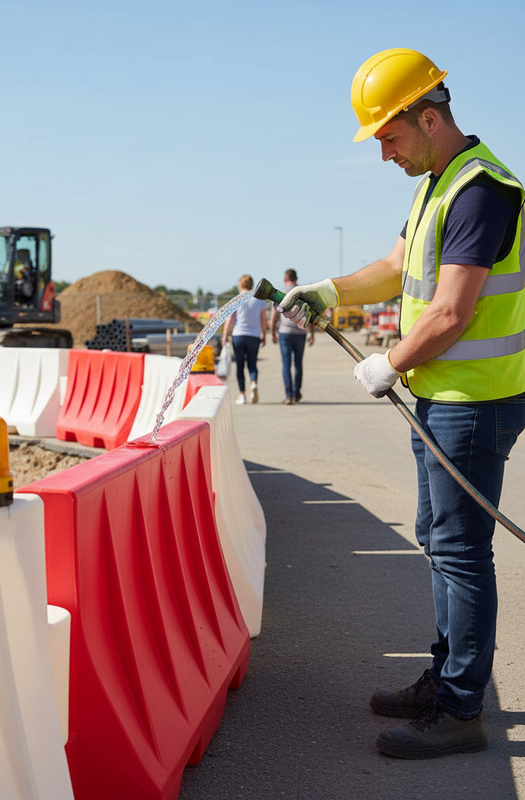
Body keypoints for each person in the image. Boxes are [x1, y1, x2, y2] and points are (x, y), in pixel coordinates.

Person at [278, 48, 525, 759]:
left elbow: (451, 311)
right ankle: (448, 680)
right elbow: (394, 269)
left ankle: (460, 708)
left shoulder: (480, 190)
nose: (383, 153)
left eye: (388, 137)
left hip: (471, 404)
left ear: (428, 116)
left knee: (461, 553)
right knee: (442, 545)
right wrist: (327, 290)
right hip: (443, 399)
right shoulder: (437, 185)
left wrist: (390, 361)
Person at [270, 269, 315, 404]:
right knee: (298, 364)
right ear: (296, 278)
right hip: (301, 333)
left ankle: (289, 396)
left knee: (286, 364)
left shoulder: (281, 293)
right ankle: (297, 394)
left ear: (285, 279)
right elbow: (310, 313)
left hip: (285, 333)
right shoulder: (302, 293)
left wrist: (272, 331)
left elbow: (274, 315)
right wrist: (311, 334)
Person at [221, 274, 267, 404]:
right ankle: (253, 382)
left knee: (240, 366)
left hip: (238, 335)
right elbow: (263, 319)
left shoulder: (237, 299)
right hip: (254, 336)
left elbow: (230, 319)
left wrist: (225, 335)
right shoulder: (259, 300)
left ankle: (242, 394)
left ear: (240, 285)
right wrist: (264, 335)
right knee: (252, 364)